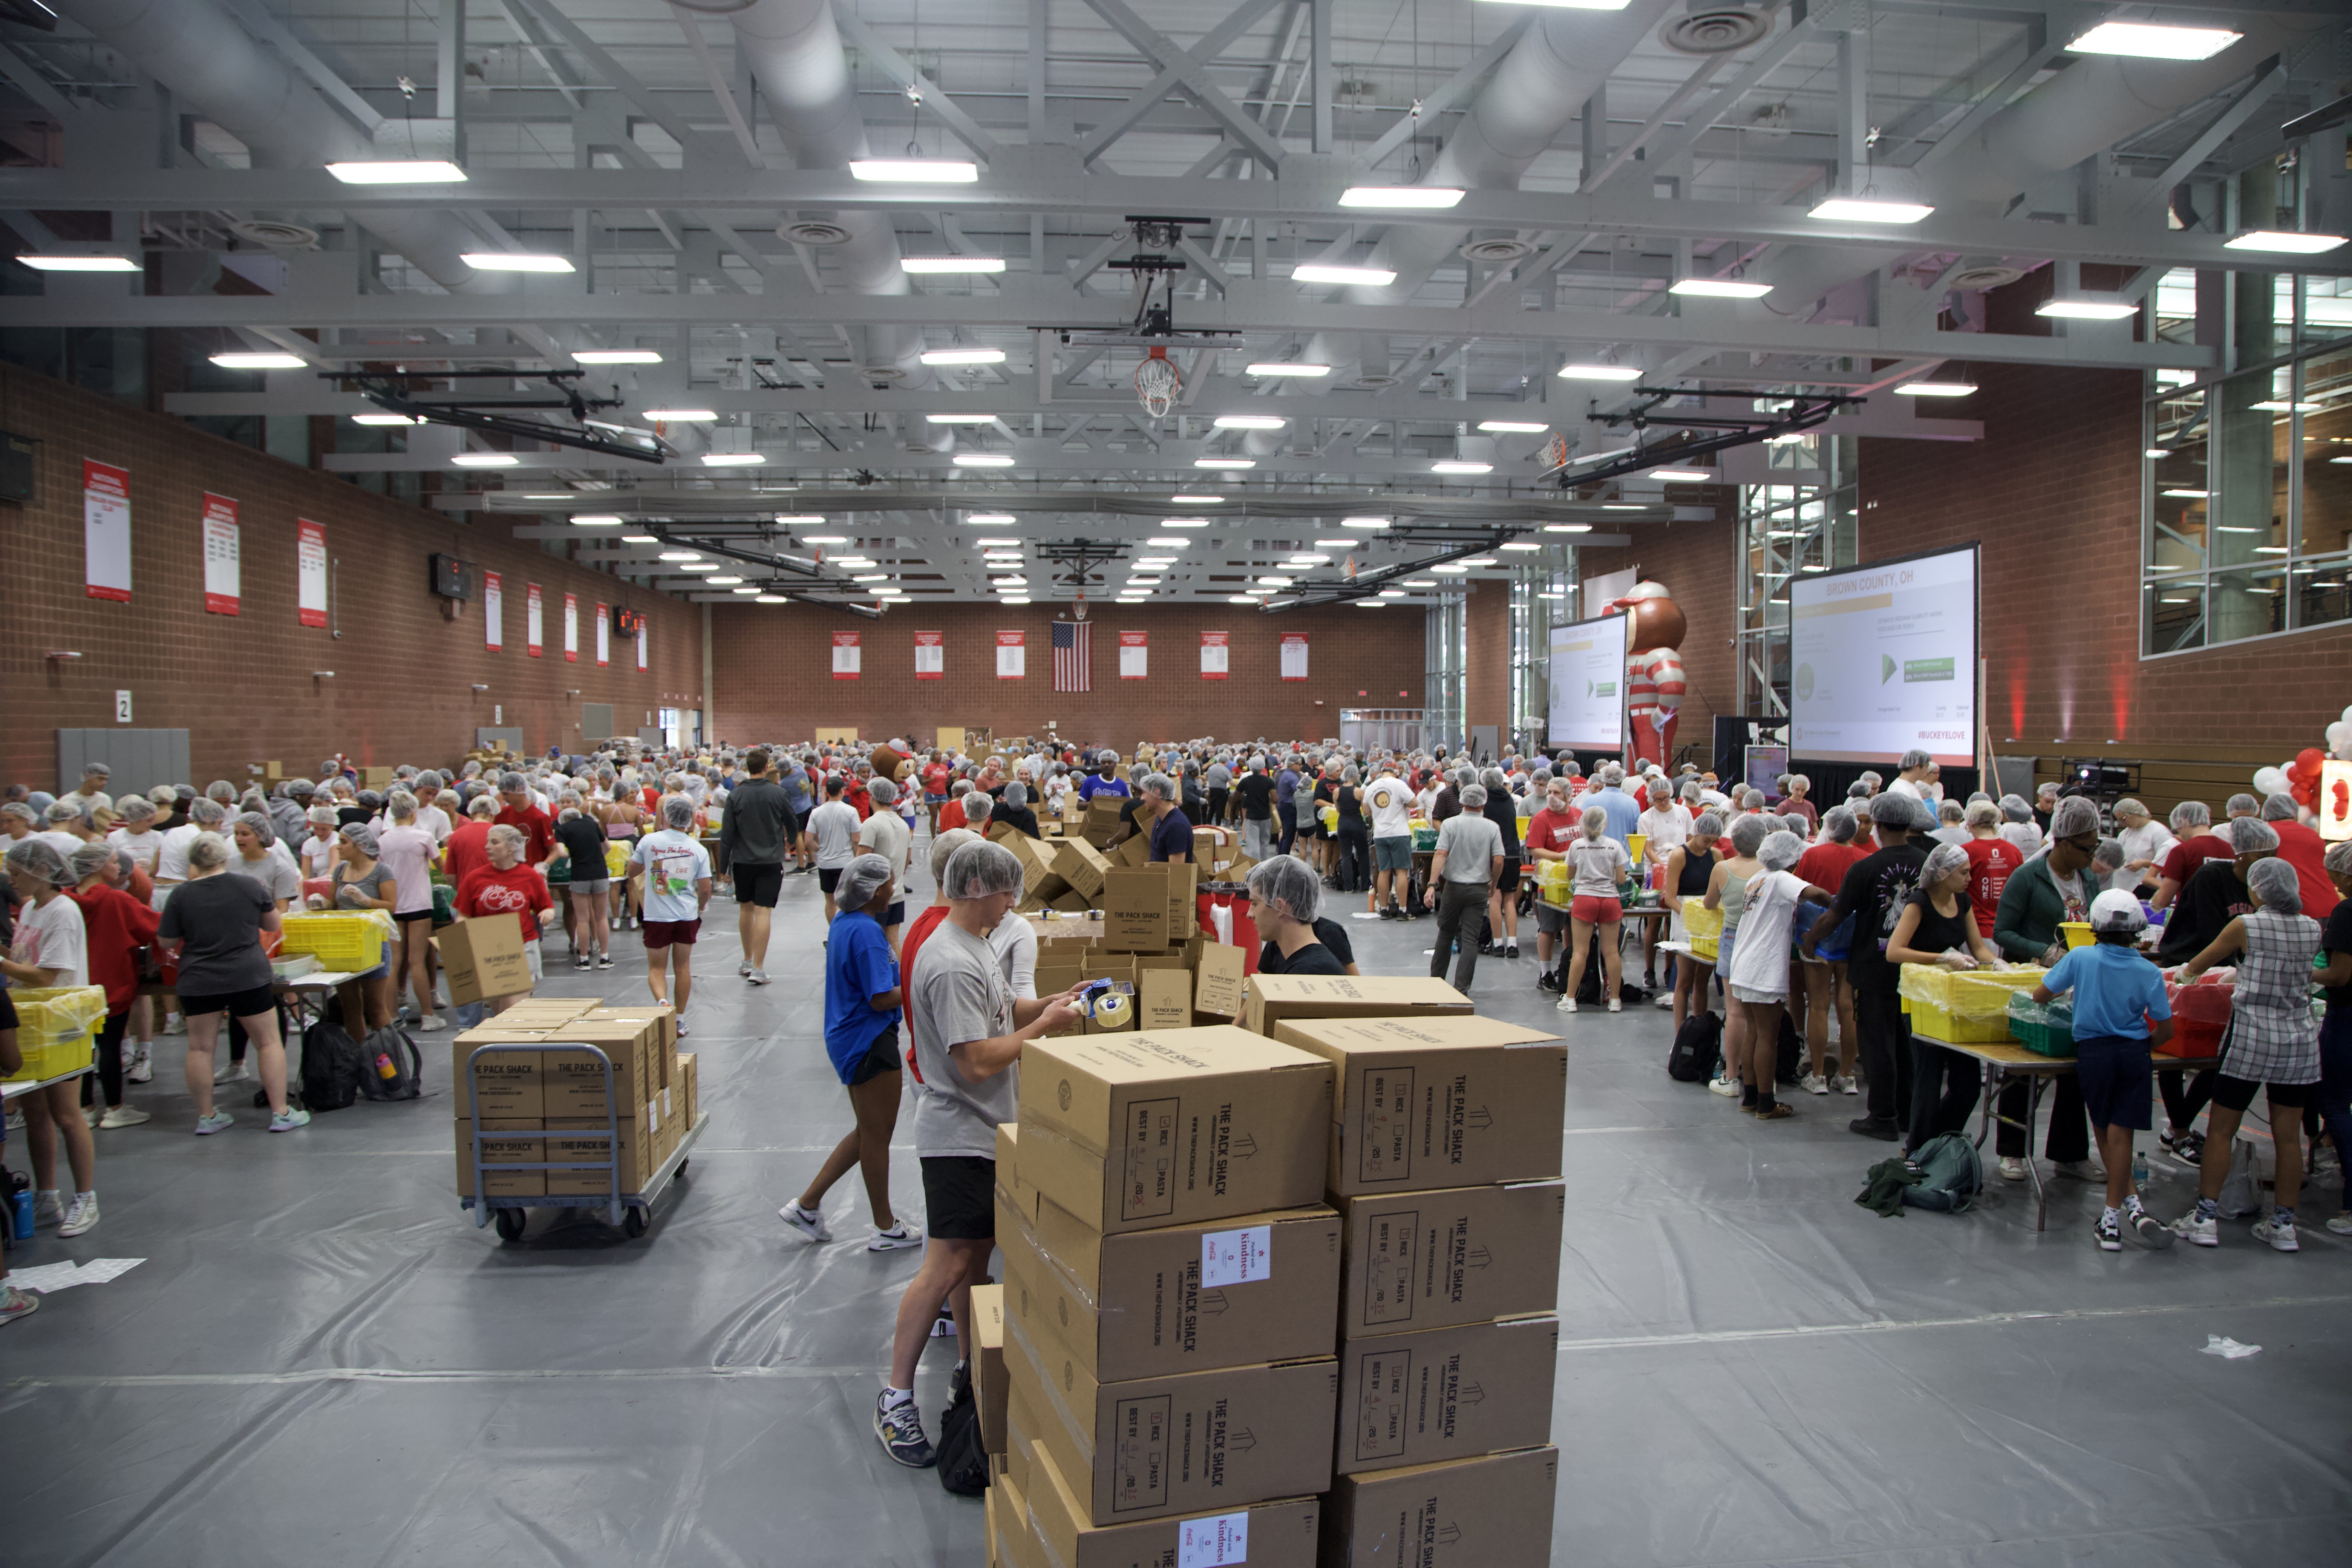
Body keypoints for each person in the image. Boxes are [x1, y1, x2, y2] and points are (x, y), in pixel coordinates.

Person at [879, 840, 1081, 1468]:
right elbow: (973, 1062)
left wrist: (1045, 1005)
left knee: (975, 1260)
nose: (1013, 901)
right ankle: (895, 1398)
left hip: (989, 1127)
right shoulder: (948, 961)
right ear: (975, 888)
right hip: (959, 1135)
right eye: (1006, 891)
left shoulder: (979, 946)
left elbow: (1000, 1014)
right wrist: (1040, 1033)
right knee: (946, 1263)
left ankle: (970, 1367)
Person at [2169, 858, 2320, 1251]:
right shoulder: (2312, 927)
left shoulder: (2246, 924)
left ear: (2258, 889)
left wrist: (2178, 977)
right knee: (2288, 1137)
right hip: (2298, 1039)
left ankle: (2205, 1217)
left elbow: (2197, 966)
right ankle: (2284, 1224)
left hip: (2252, 1036)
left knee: (2221, 1129)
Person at [781, 853, 921, 1252]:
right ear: (876, 890)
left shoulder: (846, 923)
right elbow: (880, 997)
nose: (894, 889)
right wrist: (922, 985)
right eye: (890, 883)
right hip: (869, 1040)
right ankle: (885, 1225)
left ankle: (807, 1204)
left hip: (848, 1036)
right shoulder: (866, 933)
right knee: (879, 1134)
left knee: (866, 1129)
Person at [2022, 891, 2177, 1250]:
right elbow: (2166, 1029)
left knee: (2103, 1131)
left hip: (2094, 1054)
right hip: (2135, 1055)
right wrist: (2142, 1048)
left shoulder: (2082, 957)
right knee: (2122, 1136)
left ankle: (2111, 1222)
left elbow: (2041, 995)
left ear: (2094, 927)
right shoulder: (2148, 970)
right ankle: (2132, 1209)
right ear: (2137, 930)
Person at [1988, 795, 2106, 1182]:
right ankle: (2012, 1150)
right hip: (2037, 982)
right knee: (2023, 1070)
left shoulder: (2088, 876)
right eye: (2088, 848)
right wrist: (2047, 952)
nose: (2093, 855)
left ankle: (2069, 1154)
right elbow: (2002, 931)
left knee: (2076, 1070)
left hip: (2081, 985)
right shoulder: (2029, 876)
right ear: (2065, 842)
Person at [1804, 791, 1934, 1142]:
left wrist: (1811, 940)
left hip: (1873, 967)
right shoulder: (1927, 863)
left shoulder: (1866, 867)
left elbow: (1836, 914)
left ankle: (1882, 1116)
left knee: (1877, 1045)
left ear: (1876, 823)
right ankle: (1908, 1112)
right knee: (1907, 1044)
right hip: (1915, 969)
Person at [156, 831, 307, 1135]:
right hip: (247, 974)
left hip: (199, 978)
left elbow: (166, 940)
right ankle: (280, 1112)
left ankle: (207, 1116)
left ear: (194, 861)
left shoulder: (181, 895)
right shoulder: (250, 886)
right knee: (268, 1041)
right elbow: (273, 925)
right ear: (224, 858)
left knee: (200, 1048)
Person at [3, 840, 103, 1234]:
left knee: (66, 1113)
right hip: (34, 1019)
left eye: (16, 871)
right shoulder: (30, 907)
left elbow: (47, 975)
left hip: (62, 1023)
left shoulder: (64, 910)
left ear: (42, 869)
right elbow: (24, 959)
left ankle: (85, 1197)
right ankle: (47, 1195)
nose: (11, 878)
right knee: (35, 1113)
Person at [1887, 842, 2005, 1151]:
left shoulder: (1962, 900)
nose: (1970, 878)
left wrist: (1996, 964)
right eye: (1964, 873)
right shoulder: (1919, 903)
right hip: (1921, 1002)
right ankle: (1918, 1147)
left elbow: (1977, 947)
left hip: (1952, 1000)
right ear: (1943, 874)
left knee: (1968, 1083)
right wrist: (1940, 959)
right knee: (1927, 1080)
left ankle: (1937, 1138)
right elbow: (1895, 951)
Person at [1720, 831, 1835, 1119]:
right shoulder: (1782, 879)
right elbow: (1817, 895)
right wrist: (1840, 907)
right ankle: (1767, 1103)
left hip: (1744, 963)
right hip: (1764, 966)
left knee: (1754, 1032)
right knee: (1768, 1036)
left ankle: (1750, 1097)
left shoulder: (1757, 879)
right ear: (1791, 859)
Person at [67, 843, 157, 1132]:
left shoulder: (65, 901)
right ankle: (116, 1108)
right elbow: (154, 928)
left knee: (81, 1050)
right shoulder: (117, 900)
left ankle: (86, 1109)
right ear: (98, 866)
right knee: (110, 1048)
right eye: (115, 862)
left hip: (74, 987)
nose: (119, 867)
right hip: (111, 983)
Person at [1793, 807, 1867, 1092]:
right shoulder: (1865, 859)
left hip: (1819, 939)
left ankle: (1818, 1075)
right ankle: (1848, 1076)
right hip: (1853, 942)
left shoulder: (1813, 855)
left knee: (1819, 1005)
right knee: (1848, 1009)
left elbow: (1800, 892)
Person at [626, 797, 710, 1034]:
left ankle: (663, 1003)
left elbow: (632, 871)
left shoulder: (649, 842)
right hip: (686, 915)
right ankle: (680, 1019)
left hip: (656, 916)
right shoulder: (698, 849)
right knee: (683, 967)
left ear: (666, 816)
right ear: (690, 819)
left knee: (656, 968)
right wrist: (701, 907)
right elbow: (705, 888)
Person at [453, 823, 554, 1020]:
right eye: (487, 842)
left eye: (494, 842)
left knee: (513, 1009)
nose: (487, 847)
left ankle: (519, 1046)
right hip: (490, 951)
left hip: (522, 946)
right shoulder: (475, 878)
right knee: (500, 1012)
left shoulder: (530, 876)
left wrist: (548, 914)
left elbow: (546, 906)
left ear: (511, 848)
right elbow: (463, 915)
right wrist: (460, 933)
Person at [1426, 782, 1504, 991]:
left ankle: (1436, 983)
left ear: (1462, 801)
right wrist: (1494, 884)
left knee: (1445, 934)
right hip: (1478, 889)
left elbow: (1441, 854)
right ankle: (1462, 989)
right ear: (1483, 803)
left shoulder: (1450, 825)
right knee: (1470, 939)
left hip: (1453, 887)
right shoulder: (1492, 827)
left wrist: (1432, 885)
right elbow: (1498, 860)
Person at [1557, 804, 1633, 1015]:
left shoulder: (1577, 846)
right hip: (1610, 900)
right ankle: (1615, 1000)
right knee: (1611, 952)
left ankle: (1571, 999)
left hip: (1585, 899)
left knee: (1580, 951)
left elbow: (1570, 875)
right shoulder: (1615, 846)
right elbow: (1621, 879)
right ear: (1604, 824)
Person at [2314, 840, 2352, 1236]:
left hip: (2346, 1015)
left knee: (2336, 1103)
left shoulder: (2346, 911)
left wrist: (2306, 973)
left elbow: (2339, 974)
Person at [1660, 810, 1724, 1032]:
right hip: (1685, 916)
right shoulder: (1679, 855)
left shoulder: (1716, 856)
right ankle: (1681, 1035)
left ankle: (1700, 1030)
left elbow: (1719, 892)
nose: (1710, 845)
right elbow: (1670, 898)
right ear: (1696, 833)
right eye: (1707, 840)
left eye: (1714, 841)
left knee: (1703, 979)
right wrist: (1690, 917)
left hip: (1708, 916)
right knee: (1685, 980)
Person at [1522, 778, 1580, 992]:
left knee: (1571, 925)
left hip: (1574, 880)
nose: (1552, 797)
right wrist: (1559, 856)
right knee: (1549, 928)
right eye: (1550, 792)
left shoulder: (1578, 815)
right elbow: (1535, 850)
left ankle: (1569, 965)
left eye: (1557, 793)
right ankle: (1545, 972)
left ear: (1567, 794)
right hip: (1549, 882)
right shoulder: (1541, 819)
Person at [1249, 856, 1344, 975]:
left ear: (1279, 906)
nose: (1250, 914)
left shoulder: (1311, 972)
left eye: (1255, 904)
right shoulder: (1278, 947)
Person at [2259, 791, 2340, 919]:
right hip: (2328, 905)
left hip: (2294, 911)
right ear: (2295, 813)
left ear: (2265, 813)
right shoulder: (2312, 835)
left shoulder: (2264, 834)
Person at [858, 778, 914, 956]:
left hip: (875, 896)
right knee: (893, 940)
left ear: (872, 797)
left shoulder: (872, 824)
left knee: (875, 943)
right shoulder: (903, 824)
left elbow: (861, 861)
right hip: (896, 892)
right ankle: (899, 980)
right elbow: (907, 859)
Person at [1479, 768, 1524, 962]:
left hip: (1493, 854)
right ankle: (1513, 943)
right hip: (1513, 853)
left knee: (1494, 899)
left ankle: (1497, 944)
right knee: (1510, 899)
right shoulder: (1509, 799)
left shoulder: (1483, 801)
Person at [807, 775, 863, 925]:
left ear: (827, 792)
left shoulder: (816, 812)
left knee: (829, 900)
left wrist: (820, 851)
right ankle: (841, 931)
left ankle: (832, 930)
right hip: (845, 863)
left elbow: (808, 841)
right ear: (842, 791)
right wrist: (857, 858)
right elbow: (856, 840)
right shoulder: (850, 812)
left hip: (825, 864)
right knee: (843, 900)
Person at [1366, 767, 1417, 920]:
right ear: (1395, 773)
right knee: (1401, 872)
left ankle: (1384, 909)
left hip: (1381, 834)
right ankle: (1402, 910)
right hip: (1399, 833)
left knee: (1383, 871)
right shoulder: (1399, 784)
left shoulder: (1371, 787)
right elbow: (1414, 803)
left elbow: (1366, 811)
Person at [2110, 798, 2175, 896]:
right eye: (2119, 820)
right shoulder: (2125, 834)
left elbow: (2170, 862)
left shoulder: (2159, 832)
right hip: (2124, 885)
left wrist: (2144, 863)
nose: (2122, 824)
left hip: (2147, 888)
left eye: (2123, 819)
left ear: (2135, 813)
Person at [493, 771, 556, 866]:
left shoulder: (539, 818)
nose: (503, 798)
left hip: (531, 872)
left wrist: (542, 868)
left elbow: (555, 851)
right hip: (509, 872)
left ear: (519, 789)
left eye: (506, 794)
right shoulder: (502, 814)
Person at [1136, 773, 1192, 864]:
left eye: (1144, 793)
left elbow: (1176, 872)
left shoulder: (1176, 827)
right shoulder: (1161, 819)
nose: (1142, 798)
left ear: (1156, 792)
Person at [1233, 758, 1277, 862]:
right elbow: (1276, 799)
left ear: (1250, 767)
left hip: (1251, 816)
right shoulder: (1269, 781)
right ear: (1263, 768)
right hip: (1265, 816)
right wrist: (1269, 799)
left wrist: (1244, 796)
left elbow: (1235, 797)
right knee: (1265, 844)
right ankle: (1265, 864)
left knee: (1253, 844)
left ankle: (1255, 866)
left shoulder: (1246, 781)